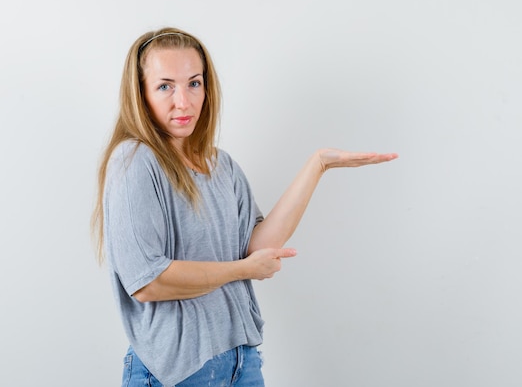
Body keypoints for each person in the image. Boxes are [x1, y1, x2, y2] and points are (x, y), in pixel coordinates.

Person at [91, 27, 398, 386]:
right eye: (165, 86)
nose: (184, 101)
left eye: (194, 83)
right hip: (177, 371)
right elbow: (148, 282)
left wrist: (318, 165)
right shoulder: (135, 161)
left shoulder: (221, 166)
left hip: (241, 361)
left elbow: (257, 249)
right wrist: (241, 270)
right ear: (140, 93)